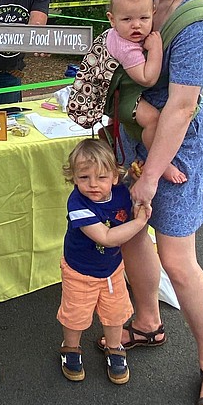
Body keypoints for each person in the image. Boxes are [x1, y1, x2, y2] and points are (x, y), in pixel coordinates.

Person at [100, 0, 203, 405]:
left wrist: (151, 177)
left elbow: (180, 105)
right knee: (133, 234)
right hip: (136, 136)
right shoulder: (146, 0)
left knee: (178, 258)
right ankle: (149, 321)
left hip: (178, 143)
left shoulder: (199, 19)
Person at [58, 139, 150, 385]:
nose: (93, 185)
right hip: (80, 272)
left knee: (115, 313)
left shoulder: (120, 191)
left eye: (101, 177)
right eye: (84, 177)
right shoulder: (77, 204)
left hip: (111, 270)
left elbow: (133, 191)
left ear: (114, 177)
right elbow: (106, 238)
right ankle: (71, 347)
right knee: (75, 314)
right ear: (74, 178)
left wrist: (135, 175)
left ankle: (115, 346)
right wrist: (139, 223)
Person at [105, 0, 186, 184]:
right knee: (153, 120)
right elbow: (147, 78)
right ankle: (161, 163)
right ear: (112, 20)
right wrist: (156, 48)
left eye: (144, 18)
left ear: (154, 14)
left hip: (120, 97)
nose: (136, 25)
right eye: (127, 19)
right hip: (124, 101)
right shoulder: (126, 48)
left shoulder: (115, 35)